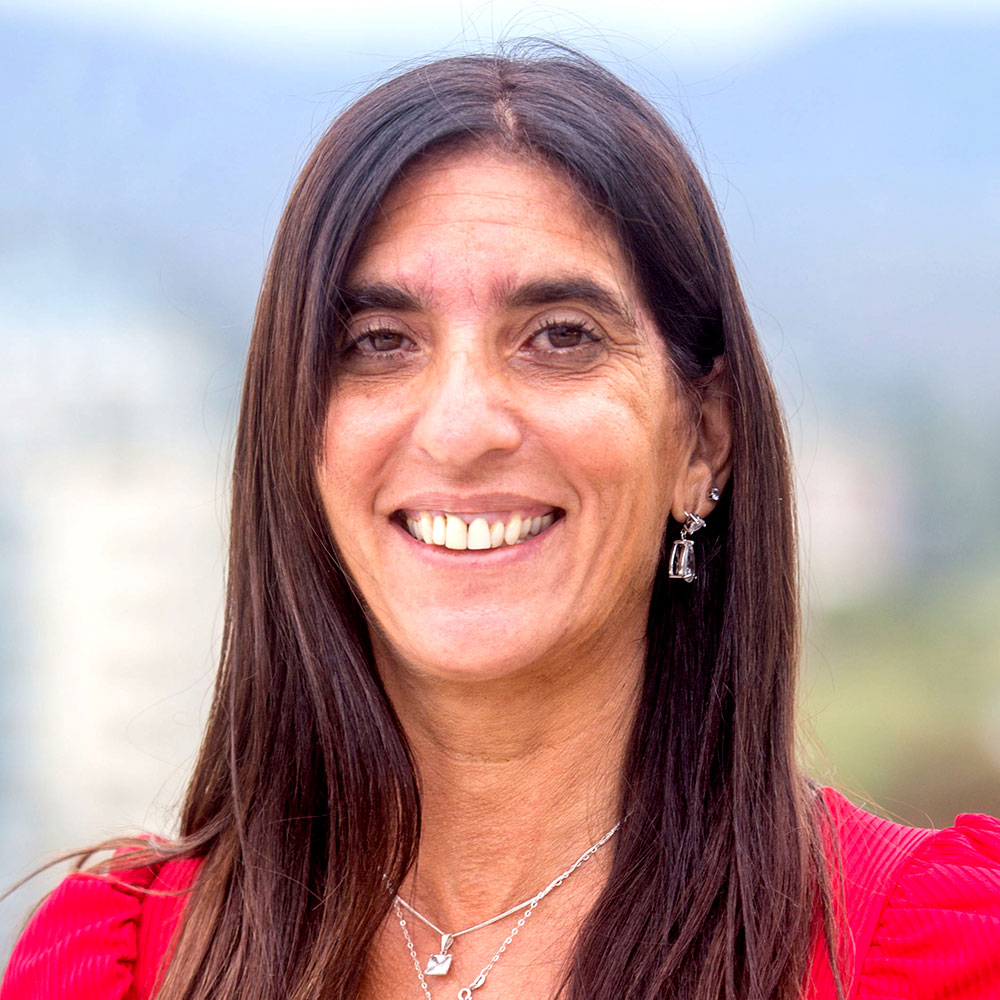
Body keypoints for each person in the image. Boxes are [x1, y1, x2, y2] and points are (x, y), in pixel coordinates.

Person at [3, 45, 999, 1000]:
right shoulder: (114, 965)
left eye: (560, 336)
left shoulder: (937, 958)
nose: (461, 427)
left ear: (702, 440)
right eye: (379, 341)